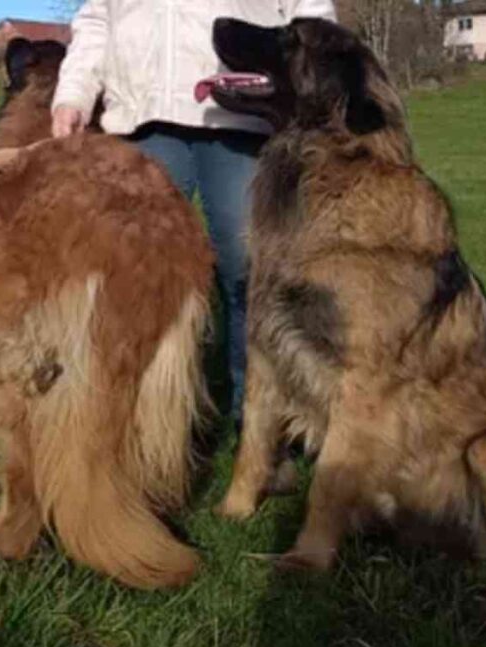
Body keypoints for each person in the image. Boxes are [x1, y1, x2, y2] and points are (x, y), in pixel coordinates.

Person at [52, 0, 337, 424]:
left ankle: (260, 419)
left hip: (239, 115)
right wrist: (73, 95)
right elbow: (97, 21)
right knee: (139, 277)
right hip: (142, 120)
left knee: (250, 269)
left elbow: (311, 15)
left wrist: (311, 84)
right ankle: (146, 419)